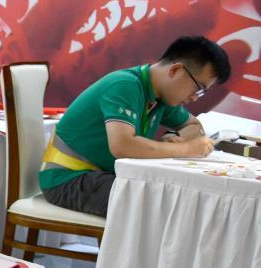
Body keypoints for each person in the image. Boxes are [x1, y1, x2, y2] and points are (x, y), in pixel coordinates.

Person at [40, 35, 231, 217]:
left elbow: (193, 126)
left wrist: (177, 138)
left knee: (175, 197)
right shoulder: (125, 85)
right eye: (199, 88)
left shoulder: (162, 97)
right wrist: (186, 149)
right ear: (176, 70)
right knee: (163, 204)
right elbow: (122, 146)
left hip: (105, 176)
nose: (195, 97)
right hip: (69, 178)